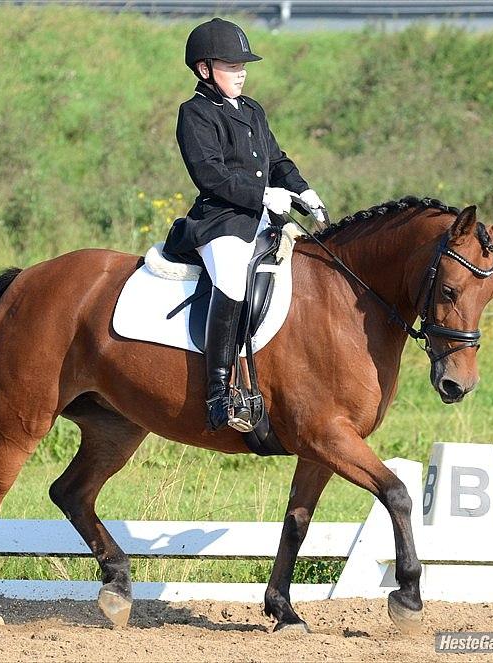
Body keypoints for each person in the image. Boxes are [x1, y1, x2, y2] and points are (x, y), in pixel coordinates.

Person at [163, 17, 326, 432]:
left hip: (261, 219)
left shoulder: (252, 109)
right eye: (232, 66)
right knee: (233, 281)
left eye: (243, 66)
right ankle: (218, 393)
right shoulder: (195, 114)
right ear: (204, 70)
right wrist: (262, 196)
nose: (242, 72)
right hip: (219, 222)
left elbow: (276, 159)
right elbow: (210, 175)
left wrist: (302, 191)